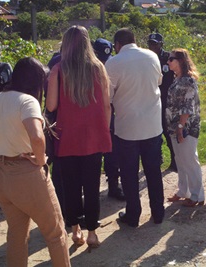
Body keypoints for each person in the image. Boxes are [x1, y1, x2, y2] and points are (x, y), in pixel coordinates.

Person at [0, 57, 71, 267]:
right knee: (55, 233)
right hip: (27, 176)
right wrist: (41, 159)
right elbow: (36, 136)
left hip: (1, 175)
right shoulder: (27, 101)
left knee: (16, 234)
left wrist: (1, 147)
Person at [46, 26, 111, 248]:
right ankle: (92, 232)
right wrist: (105, 131)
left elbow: (51, 105)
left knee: (70, 186)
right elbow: (106, 106)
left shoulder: (58, 69)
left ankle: (75, 231)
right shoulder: (98, 68)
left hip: (67, 136)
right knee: (92, 186)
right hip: (93, 136)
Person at [105, 28, 165, 227]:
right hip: (153, 125)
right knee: (153, 171)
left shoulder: (113, 63)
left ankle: (133, 214)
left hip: (127, 128)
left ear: (117, 45)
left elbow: (108, 98)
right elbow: (158, 82)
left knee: (130, 174)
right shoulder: (152, 57)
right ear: (135, 41)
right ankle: (158, 212)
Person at [165, 49, 205, 207]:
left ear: (180, 61)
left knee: (189, 160)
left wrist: (181, 126)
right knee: (180, 160)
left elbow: (187, 107)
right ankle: (184, 191)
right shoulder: (177, 78)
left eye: (171, 59)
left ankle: (197, 195)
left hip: (186, 127)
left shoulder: (187, 81)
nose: (168, 62)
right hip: (176, 127)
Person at [92, 38, 125, 201]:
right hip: (93, 118)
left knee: (113, 153)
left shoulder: (112, 65)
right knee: (93, 155)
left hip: (111, 116)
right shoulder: (87, 67)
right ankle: (91, 188)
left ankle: (113, 186)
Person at [147, 33, 177, 171]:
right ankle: (157, 158)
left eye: (155, 44)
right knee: (153, 129)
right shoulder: (146, 58)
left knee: (167, 129)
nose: (153, 46)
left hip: (166, 99)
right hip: (152, 98)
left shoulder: (168, 58)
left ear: (161, 44)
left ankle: (174, 159)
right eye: (151, 44)